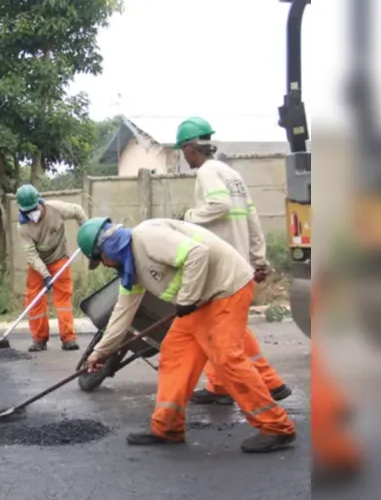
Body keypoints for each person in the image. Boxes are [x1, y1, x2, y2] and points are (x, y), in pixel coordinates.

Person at [78, 217, 296, 453]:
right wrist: (100, 353)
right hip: (199, 301)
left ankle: (276, 427)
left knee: (226, 357)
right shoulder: (131, 269)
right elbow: (122, 314)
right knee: (174, 354)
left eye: (100, 260)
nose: (105, 265)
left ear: (107, 248)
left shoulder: (147, 237)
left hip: (226, 287)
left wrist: (187, 299)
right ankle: (167, 427)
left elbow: (196, 253)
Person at [174, 116, 292, 405]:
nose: (184, 157)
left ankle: (270, 383)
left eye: (183, 151)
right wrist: (259, 260)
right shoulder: (232, 175)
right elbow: (252, 218)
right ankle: (219, 386)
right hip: (240, 264)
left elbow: (219, 205)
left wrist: (188, 218)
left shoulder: (207, 173)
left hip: (223, 268)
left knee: (225, 328)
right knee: (222, 326)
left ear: (191, 148)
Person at [15, 184, 86, 352]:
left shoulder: (56, 208)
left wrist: (85, 229)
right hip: (38, 263)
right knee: (34, 299)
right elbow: (31, 255)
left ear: (39, 202)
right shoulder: (23, 227)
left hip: (59, 257)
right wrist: (45, 275)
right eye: (27, 211)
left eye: (33, 209)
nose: (32, 214)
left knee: (63, 299)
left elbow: (78, 210)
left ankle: (68, 338)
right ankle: (39, 339)